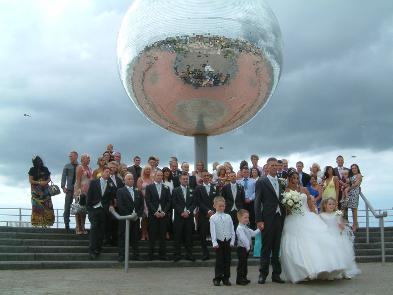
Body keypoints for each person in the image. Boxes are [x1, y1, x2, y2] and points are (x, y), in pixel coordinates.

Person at [280, 169, 349, 283]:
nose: (295, 180)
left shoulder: (304, 189)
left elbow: (310, 205)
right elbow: (286, 209)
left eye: (297, 178)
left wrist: (315, 216)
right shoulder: (285, 191)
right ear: (288, 179)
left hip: (306, 216)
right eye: (293, 178)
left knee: (314, 242)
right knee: (295, 245)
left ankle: (319, 267)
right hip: (292, 219)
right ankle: (303, 272)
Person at [254, 157, 285, 284]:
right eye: (271, 165)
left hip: (279, 217)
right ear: (267, 167)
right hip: (266, 218)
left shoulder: (281, 182)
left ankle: (276, 274)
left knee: (277, 247)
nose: (274, 167)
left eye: (276, 165)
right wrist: (259, 220)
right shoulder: (261, 181)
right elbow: (257, 202)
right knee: (266, 247)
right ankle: (263, 273)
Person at [320, 198, 361, 279]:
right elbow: (320, 226)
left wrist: (341, 225)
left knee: (343, 253)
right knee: (331, 255)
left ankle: (345, 271)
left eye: (333, 204)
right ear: (325, 205)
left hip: (338, 235)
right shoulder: (321, 215)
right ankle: (332, 273)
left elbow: (341, 225)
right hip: (327, 236)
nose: (332, 206)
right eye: (329, 204)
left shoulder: (337, 214)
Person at [86, 167, 115, 260]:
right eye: (106, 171)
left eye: (109, 172)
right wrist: (89, 208)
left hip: (104, 210)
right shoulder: (94, 182)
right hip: (94, 209)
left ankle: (98, 249)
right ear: (102, 173)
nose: (108, 173)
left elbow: (111, 197)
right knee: (94, 229)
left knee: (102, 231)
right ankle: (92, 250)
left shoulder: (111, 184)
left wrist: (110, 205)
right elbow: (89, 195)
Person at [116, 173, 144, 262]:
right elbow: (120, 205)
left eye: (132, 179)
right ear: (124, 181)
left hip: (135, 219)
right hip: (125, 219)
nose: (130, 180)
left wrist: (137, 214)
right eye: (128, 179)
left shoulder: (138, 191)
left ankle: (136, 255)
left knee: (135, 237)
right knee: (123, 237)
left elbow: (141, 205)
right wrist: (130, 215)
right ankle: (122, 255)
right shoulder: (120, 191)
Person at [145, 170, 171, 260]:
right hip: (153, 215)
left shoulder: (166, 187)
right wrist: (155, 212)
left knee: (163, 236)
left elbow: (169, 201)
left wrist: (164, 212)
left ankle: (162, 254)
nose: (160, 177)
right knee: (152, 235)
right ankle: (150, 255)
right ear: (154, 176)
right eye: (158, 175)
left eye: (161, 175)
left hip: (164, 215)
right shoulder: (149, 187)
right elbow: (148, 201)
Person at [210, 196, 235, 286]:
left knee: (227, 260)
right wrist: (214, 242)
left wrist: (232, 241)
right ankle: (217, 278)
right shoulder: (213, 218)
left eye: (223, 206)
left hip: (227, 241)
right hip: (219, 242)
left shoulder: (228, 216)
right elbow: (212, 231)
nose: (221, 208)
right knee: (219, 261)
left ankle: (226, 278)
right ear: (214, 206)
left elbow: (232, 229)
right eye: (219, 206)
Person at [172, 173, 197, 262]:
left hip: (189, 217)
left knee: (189, 237)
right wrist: (182, 212)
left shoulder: (192, 190)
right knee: (177, 237)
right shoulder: (175, 190)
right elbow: (174, 203)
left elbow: (194, 203)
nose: (185, 180)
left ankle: (189, 254)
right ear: (180, 180)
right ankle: (177, 255)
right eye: (184, 179)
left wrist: (188, 212)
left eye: (187, 179)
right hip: (179, 217)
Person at [195, 170, 218, 260]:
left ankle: (217, 253)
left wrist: (213, 211)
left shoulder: (215, 187)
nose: (206, 177)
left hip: (214, 214)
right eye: (204, 176)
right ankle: (205, 254)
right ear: (202, 177)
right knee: (203, 235)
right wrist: (207, 211)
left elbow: (217, 200)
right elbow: (198, 202)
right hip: (203, 215)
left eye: (208, 176)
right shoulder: (198, 188)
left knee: (215, 234)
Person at [28, 156, 55, 227]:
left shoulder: (45, 169)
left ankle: (47, 223)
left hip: (45, 190)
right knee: (36, 206)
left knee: (47, 206)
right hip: (36, 191)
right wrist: (39, 183)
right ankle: (37, 223)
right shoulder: (32, 169)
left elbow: (49, 179)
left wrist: (45, 182)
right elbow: (30, 180)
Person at [236, 209, 260, 285]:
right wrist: (248, 247)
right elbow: (243, 239)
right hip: (242, 248)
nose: (247, 219)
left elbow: (253, 233)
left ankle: (244, 278)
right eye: (245, 217)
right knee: (241, 264)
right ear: (239, 218)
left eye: (248, 217)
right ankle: (239, 280)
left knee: (245, 264)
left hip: (246, 249)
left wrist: (260, 229)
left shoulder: (246, 227)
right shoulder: (239, 228)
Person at [73, 154, 92, 235]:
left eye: (89, 158)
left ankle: (83, 226)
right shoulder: (80, 167)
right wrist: (77, 191)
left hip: (87, 192)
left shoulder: (90, 168)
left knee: (84, 210)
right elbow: (77, 180)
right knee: (78, 209)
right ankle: (78, 227)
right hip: (80, 191)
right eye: (87, 158)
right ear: (82, 159)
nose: (89, 159)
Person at [61, 151, 79, 231]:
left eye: (71, 156)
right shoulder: (67, 166)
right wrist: (63, 186)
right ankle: (66, 224)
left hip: (78, 190)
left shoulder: (80, 166)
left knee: (79, 207)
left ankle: (79, 225)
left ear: (76, 157)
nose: (70, 157)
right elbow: (63, 176)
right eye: (69, 156)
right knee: (67, 206)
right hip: (69, 189)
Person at [342, 164, 363, 232]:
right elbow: (348, 183)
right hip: (348, 193)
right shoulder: (350, 176)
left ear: (357, 169)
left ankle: (354, 225)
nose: (354, 169)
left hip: (354, 193)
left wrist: (348, 188)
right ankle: (345, 224)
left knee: (354, 209)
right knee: (344, 207)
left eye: (355, 168)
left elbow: (356, 184)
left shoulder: (359, 175)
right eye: (352, 168)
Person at [137, 165, 153, 240]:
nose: (148, 171)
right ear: (144, 170)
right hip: (143, 200)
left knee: (150, 218)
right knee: (144, 218)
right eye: (146, 169)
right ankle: (143, 233)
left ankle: (148, 233)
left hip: (151, 201)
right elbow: (139, 190)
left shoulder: (152, 179)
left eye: (149, 170)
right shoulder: (140, 179)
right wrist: (145, 197)